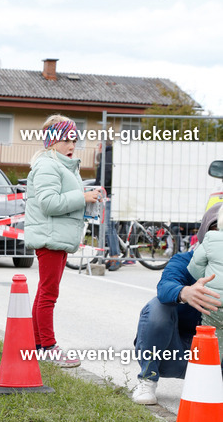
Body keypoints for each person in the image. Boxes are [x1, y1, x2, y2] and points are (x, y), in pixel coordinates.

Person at [23, 115, 101, 367]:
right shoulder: (48, 166)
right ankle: (48, 346)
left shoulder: (62, 165)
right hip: (50, 237)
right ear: (52, 140)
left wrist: (87, 197)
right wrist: (83, 197)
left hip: (56, 236)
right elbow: (49, 203)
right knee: (49, 294)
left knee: (44, 293)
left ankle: (37, 344)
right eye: (67, 139)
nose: (72, 145)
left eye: (74, 140)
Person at [132, 205, 221, 405]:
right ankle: (147, 379)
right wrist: (184, 293)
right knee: (158, 306)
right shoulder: (184, 260)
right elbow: (164, 286)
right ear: (204, 234)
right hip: (174, 352)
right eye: (216, 231)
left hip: (215, 356)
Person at [188, 204, 223, 344]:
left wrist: (207, 278)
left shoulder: (211, 238)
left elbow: (194, 266)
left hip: (213, 303)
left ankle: (210, 364)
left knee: (212, 340)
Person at [94, 139, 121, 270]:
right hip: (109, 193)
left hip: (108, 193)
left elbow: (107, 173)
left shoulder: (108, 155)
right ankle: (112, 256)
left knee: (109, 226)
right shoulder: (109, 154)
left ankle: (115, 256)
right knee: (109, 226)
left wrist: (101, 186)